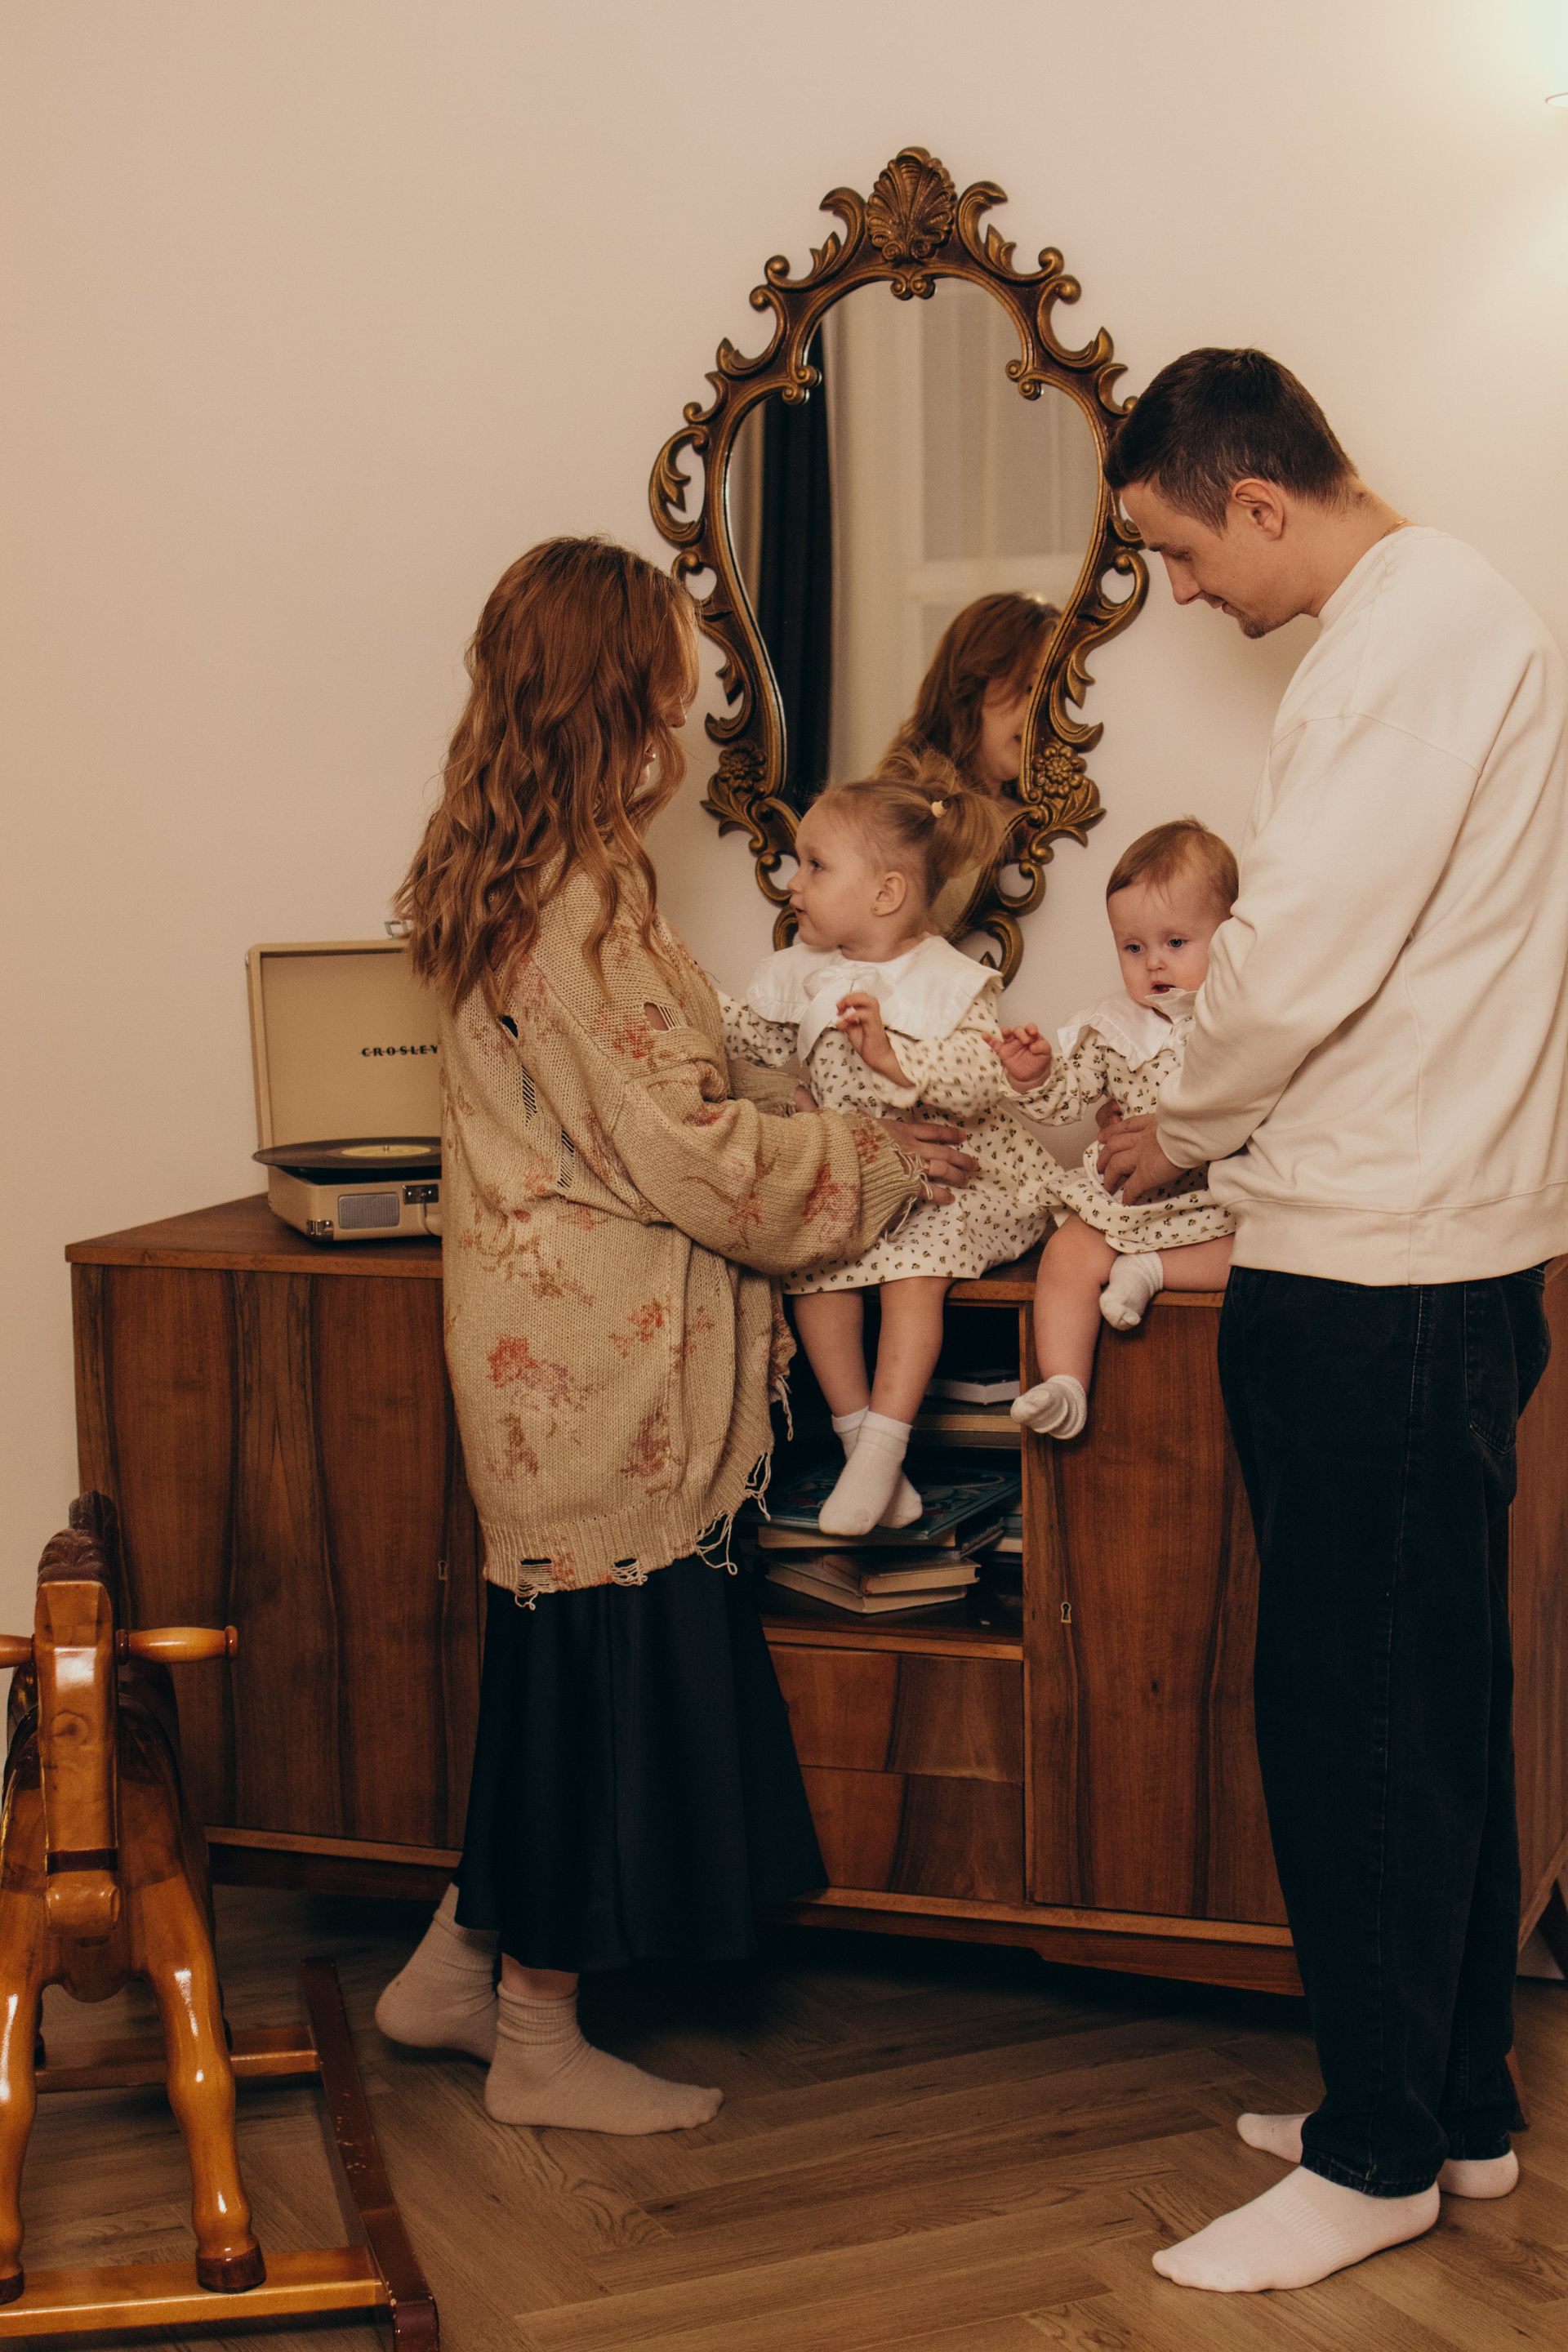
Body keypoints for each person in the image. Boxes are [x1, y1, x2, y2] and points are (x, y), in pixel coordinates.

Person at [372, 537, 976, 2135]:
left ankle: (455, 1966)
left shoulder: (537, 873)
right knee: (595, 1694)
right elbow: (697, 1155)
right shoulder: (574, 902)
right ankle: (538, 2037)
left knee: (550, 1678)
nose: (679, 728)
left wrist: (839, 1097)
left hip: (555, 1352)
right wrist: (882, 1161)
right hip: (600, 1373)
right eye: (660, 697)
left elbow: (693, 1072)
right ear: (607, 706)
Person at [1094, 348, 1568, 2292]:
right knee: (1433, 1702)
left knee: (1352, 1716)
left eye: (1180, 551)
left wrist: (1177, 1115)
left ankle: (1373, 2151)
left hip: (1378, 1271)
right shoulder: (1442, 620)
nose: (1184, 592)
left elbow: (1294, 961)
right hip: (1431, 1256)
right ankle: (1452, 2106)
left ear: (1260, 499)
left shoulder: (1408, 631)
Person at [723, 763, 1057, 1536]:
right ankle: (860, 1447)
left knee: (916, 1269)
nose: (793, 883)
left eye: (816, 866)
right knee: (812, 1265)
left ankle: (883, 1444)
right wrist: (681, 993)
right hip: (862, 1176)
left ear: (886, 893)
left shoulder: (947, 980)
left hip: (952, 1178)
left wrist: (890, 1058)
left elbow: (983, 1082)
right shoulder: (798, 974)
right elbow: (744, 1046)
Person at [999, 819, 1237, 1441]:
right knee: (1067, 1254)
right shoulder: (1113, 1027)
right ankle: (1063, 1383)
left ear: (1230, 937)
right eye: (1133, 947)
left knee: (1263, 1252)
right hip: (1127, 1198)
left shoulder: (1238, 1023)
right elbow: (1067, 1102)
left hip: (1216, 1198)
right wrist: (1036, 1076)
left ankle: (1152, 1270)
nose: (1154, 961)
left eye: (1176, 942)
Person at [881, 590, 1057, 799]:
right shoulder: (904, 807)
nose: (1047, 713)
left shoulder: (1040, 809)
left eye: (1057, 698)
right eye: (1030, 687)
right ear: (972, 684)